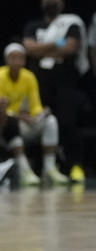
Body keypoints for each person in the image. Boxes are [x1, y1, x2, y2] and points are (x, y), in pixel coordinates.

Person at [21, 0, 89, 183]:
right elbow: (29, 48)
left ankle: (74, 166)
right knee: (40, 122)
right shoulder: (33, 25)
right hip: (40, 83)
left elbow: (70, 47)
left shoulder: (71, 23)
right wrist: (56, 44)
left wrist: (42, 48)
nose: (50, 3)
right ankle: (42, 168)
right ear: (42, 3)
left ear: (61, 4)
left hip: (65, 81)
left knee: (67, 123)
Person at [0, 44, 69, 185]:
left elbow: (35, 105)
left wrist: (40, 114)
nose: (17, 61)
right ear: (6, 59)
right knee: (11, 122)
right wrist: (19, 115)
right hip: (7, 124)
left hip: (26, 122)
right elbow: (1, 109)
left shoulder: (29, 77)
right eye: (13, 58)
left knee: (50, 120)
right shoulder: (0, 76)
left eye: (20, 58)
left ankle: (50, 168)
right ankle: (25, 171)